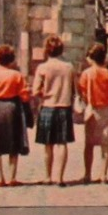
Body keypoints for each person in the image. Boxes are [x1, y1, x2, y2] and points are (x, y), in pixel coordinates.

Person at [0, 44, 31, 187]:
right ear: (12, 59)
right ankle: (12, 178)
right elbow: (25, 96)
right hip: (12, 108)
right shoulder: (16, 76)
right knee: (13, 145)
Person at [32, 35, 77, 186]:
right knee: (62, 143)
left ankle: (47, 176)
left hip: (48, 107)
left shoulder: (42, 68)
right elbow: (74, 89)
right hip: (64, 107)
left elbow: (35, 91)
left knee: (48, 145)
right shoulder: (69, 67)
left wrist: (45, 94)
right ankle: (60, 177)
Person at [79, 42, 108, 183]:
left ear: (91, 57)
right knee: (105, 144)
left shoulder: (86, 74)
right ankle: (103, 174)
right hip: (107, 109)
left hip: (93, 109)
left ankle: (87, 174)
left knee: (89, 145)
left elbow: (82, 93)